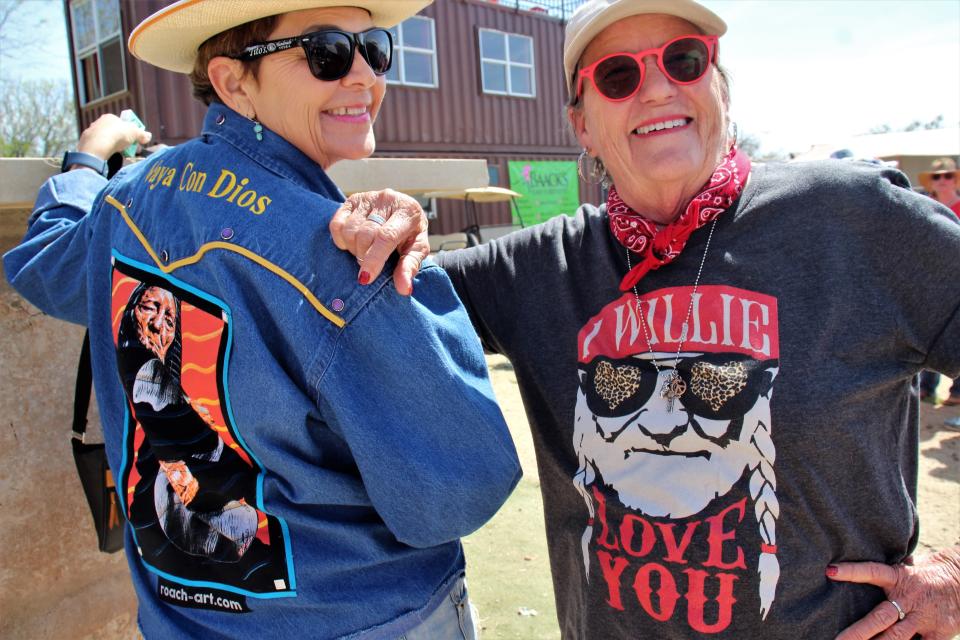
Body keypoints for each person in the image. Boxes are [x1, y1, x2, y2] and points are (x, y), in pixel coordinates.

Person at [330, 0, 960, 638]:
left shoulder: (854, 221)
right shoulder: (538, 269)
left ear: (719, 84)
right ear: (581, 123)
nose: (657, 88)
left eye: (684, 62)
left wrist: (956, 578)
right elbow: (371, 294)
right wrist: (388, 219)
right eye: (618, 76)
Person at [3, 1, 522, 637]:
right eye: (327, 53)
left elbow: (42, 263)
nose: (365, 76)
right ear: (231, 81)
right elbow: (460, 487)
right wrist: (421, 294)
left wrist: (87, 158)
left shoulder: (125, 201)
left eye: (377, 49)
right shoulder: (350, 257)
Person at [918, 158, 960, 408]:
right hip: (930, 278)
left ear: (955, 179)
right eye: (937, 176)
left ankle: (956, 390)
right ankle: (926, 386)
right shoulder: (925, 206)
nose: (942, 180)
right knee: (927, 334)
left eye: (947, 175)